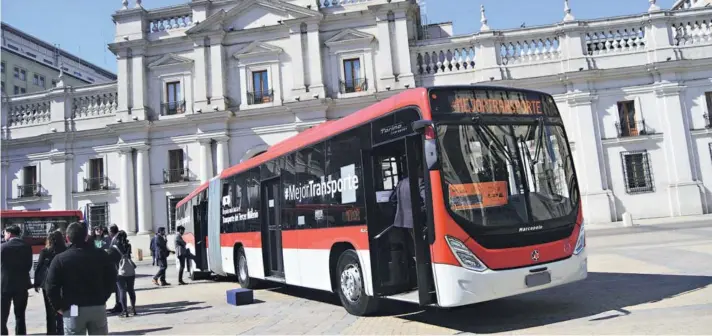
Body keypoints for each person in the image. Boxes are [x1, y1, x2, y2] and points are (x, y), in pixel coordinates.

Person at [45, 222, 117, 335]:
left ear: (67, 238)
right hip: (97, 305)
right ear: (86, 236)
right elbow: (112, 278)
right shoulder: (101, 255)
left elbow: (50, 286)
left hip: (73, 307)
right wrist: (104, 297)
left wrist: (58, 307)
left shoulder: (60, 259)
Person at [1, 225, 33, 335]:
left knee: (2, 316)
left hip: (4, 286)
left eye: (4, 233)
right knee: (20, 315)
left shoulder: (2, 247)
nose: (4, 235)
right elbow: (29, 265)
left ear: (9, 233)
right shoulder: (27, 246)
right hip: (22, 285)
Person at [34, 231, 67, 335]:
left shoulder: (45, 251)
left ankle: (51, 332)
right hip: (63, 283)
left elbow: (39, 267)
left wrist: (36, 283)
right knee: (61, 309)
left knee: (49, 310)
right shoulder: (66, 250)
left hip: (47, 284)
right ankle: (61, 331)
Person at [108, 231, 137, 318]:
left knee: (122, 291)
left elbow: (110, 260)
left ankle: (125, 311)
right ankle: (133, 309)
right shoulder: (128, 245)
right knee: (131, 290)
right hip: (130, 271)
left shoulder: (113, 248)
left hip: (119, 272)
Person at [105, 225, 122, 314]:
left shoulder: (116, 240)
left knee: (119, 288)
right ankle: (118, 304)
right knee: (118, 288)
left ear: (111, 232)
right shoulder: (119, 238)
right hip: (119, 266)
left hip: (118, 267)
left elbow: (113, 254)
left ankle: (120, 305)